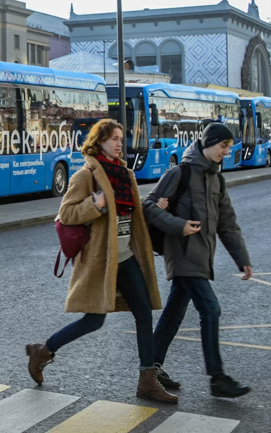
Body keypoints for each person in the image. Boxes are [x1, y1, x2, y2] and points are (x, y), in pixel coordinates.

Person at [25, 119, 176, 404]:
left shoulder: (126, 174)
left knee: (144, 313)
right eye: (113, 139)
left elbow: (131, 214)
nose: (119, 143)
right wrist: (95, 205)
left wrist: (154, 207)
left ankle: (147, 380)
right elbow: (66, 214)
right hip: (101, 260)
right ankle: (42, 351)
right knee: (93, 321)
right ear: (99, 142)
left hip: (126, 256)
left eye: (121, 138)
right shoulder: (86, 176)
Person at [144, 123, 253, 399]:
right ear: (209, 143)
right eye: (223, 146)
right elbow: (148, 206)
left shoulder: (217, 179)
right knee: (210, 308)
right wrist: (178, 225)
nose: (226, 152)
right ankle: (217, 378)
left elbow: (227, 223)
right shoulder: (180, 173)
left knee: (174, 311)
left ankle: (150, 369)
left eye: (229, 147)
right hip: (182, 253)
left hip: (202, 255)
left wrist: (242, 259)